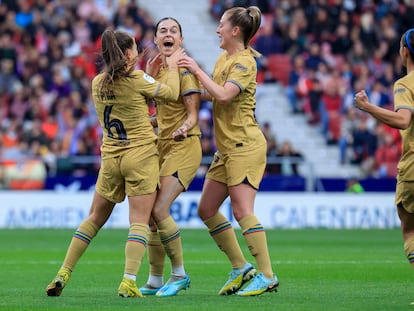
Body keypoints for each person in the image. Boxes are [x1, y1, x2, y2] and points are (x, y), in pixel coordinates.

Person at [45, 29, 183, 298]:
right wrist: (174, 66)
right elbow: (171, 93)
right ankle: (129, 280)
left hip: (111, 157)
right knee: (139, 222)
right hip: (140, 156)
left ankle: (64, 271)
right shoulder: (135, 77)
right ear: (129, 54)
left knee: (94, 218)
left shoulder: (97, 83)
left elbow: (129, 109)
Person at [178, 6, 279, 296]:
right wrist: (187, 86)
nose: (217, 29)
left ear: (235, 30)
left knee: (242, 210)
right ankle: (240, 266)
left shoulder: (246, 63)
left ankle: (268, 275)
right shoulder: (225, 58)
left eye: (221, 25)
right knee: (206, 209)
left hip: (244, 145)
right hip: (227, 148)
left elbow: (223, 95)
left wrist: (196, 69)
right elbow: (213, 93)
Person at [138, 17, 202, 297]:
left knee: (159, 210)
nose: (168, 34)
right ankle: (155, 278)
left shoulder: (185, 69)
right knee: (152, 217)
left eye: (173, 30)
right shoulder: (158, 73)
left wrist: (185, 127)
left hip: (185, 146)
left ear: (181, 40)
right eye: (162, 31)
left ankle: (179, 274)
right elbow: (162, 118)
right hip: (162, 147)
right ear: (155, 40)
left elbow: (192, 114)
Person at [354, 28, 414, 294]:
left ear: (405, 52)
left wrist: (368, 108)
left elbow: (402, 120)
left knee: (410, 233)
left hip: (413, 170)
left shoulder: (405, 84)